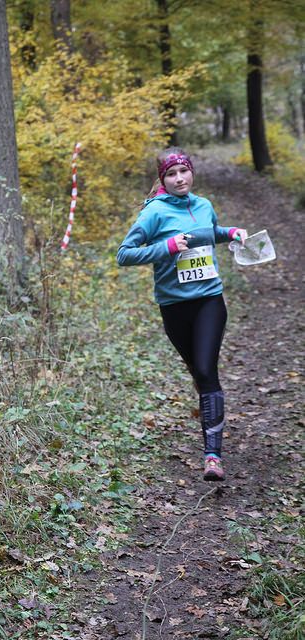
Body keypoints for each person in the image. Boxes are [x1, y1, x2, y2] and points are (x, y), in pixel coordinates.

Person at [117, 148, 247, 481]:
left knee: (206, 370)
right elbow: (125, 254)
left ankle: (213, 456)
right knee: (197, 370)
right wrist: (168, 247)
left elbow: (211, 233)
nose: (180, 179)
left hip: (209, 300)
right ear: (162, 179)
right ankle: (208, 400)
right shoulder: (154, 213)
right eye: (172, 174)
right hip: (174, 306)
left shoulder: (203, 205)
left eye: (184, 172)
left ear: (191, 173)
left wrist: (230, 232)